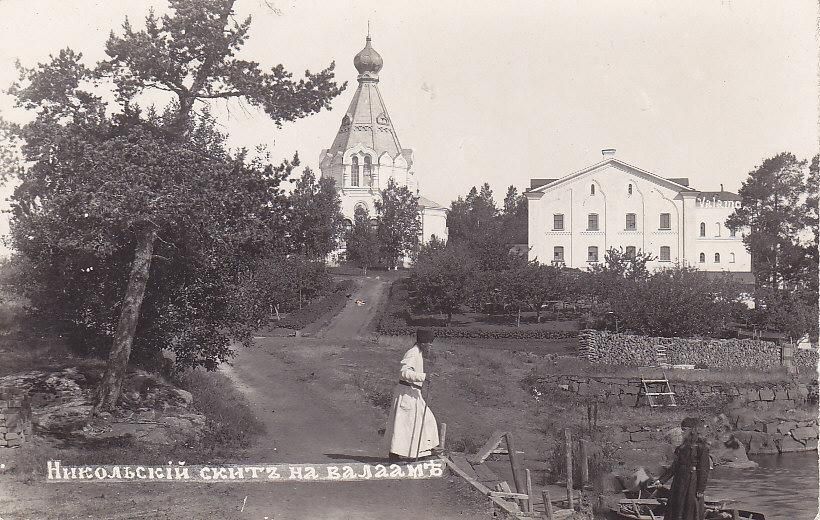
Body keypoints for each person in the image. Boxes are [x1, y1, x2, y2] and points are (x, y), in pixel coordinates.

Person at [385, 328, 439, 461]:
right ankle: (398, 454)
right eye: (429, 343)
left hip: (413, 392)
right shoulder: (412, 353)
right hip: (407, 393)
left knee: (421, 420)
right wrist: (423, 377)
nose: (430, 346)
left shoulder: (418, 353)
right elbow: (403, 373)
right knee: (405, 424)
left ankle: (421, 451)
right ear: (423, 343)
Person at [657, 417, 711, 520]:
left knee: (690, 509)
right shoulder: (682, 447)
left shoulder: (701, 446)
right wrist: (661, 480)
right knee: (676, 507)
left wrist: (701, 489)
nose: (682, 432)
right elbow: (674, 467)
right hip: (679, 482)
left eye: (684, 429)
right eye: (682, 429)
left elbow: (704, 469)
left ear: (692, 430)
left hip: (692, 483)